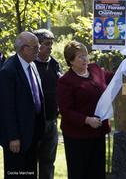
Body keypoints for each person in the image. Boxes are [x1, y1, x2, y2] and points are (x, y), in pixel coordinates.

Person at [57, 41, 113, 179]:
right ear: (71, 61)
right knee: (80, 173)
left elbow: (112, 78)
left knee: (98, 172)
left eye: (86, 55)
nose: (85, 59)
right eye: (80, 57)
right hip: (77, 137)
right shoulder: (66, 81)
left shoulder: (95, 69)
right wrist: (87, 120)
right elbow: (65, 110)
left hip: (98, 133)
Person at [0, 31, 45, 178]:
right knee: (17, 174)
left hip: (32, 134)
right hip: (17, 138)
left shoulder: (31, 65)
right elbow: (6, 107)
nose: (38, 50)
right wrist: (13, 136)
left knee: (30, 173)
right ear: (23, 49)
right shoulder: (9, 70)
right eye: (35, 47)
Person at [33, 29, 62, 179]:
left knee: (48, 161)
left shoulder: (55, 65)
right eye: (46, 44)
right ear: (37, 46)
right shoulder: (30, 66)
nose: (50, 47)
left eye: (51, 44)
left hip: (51, 121)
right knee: (30, 161)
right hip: (34, 123)